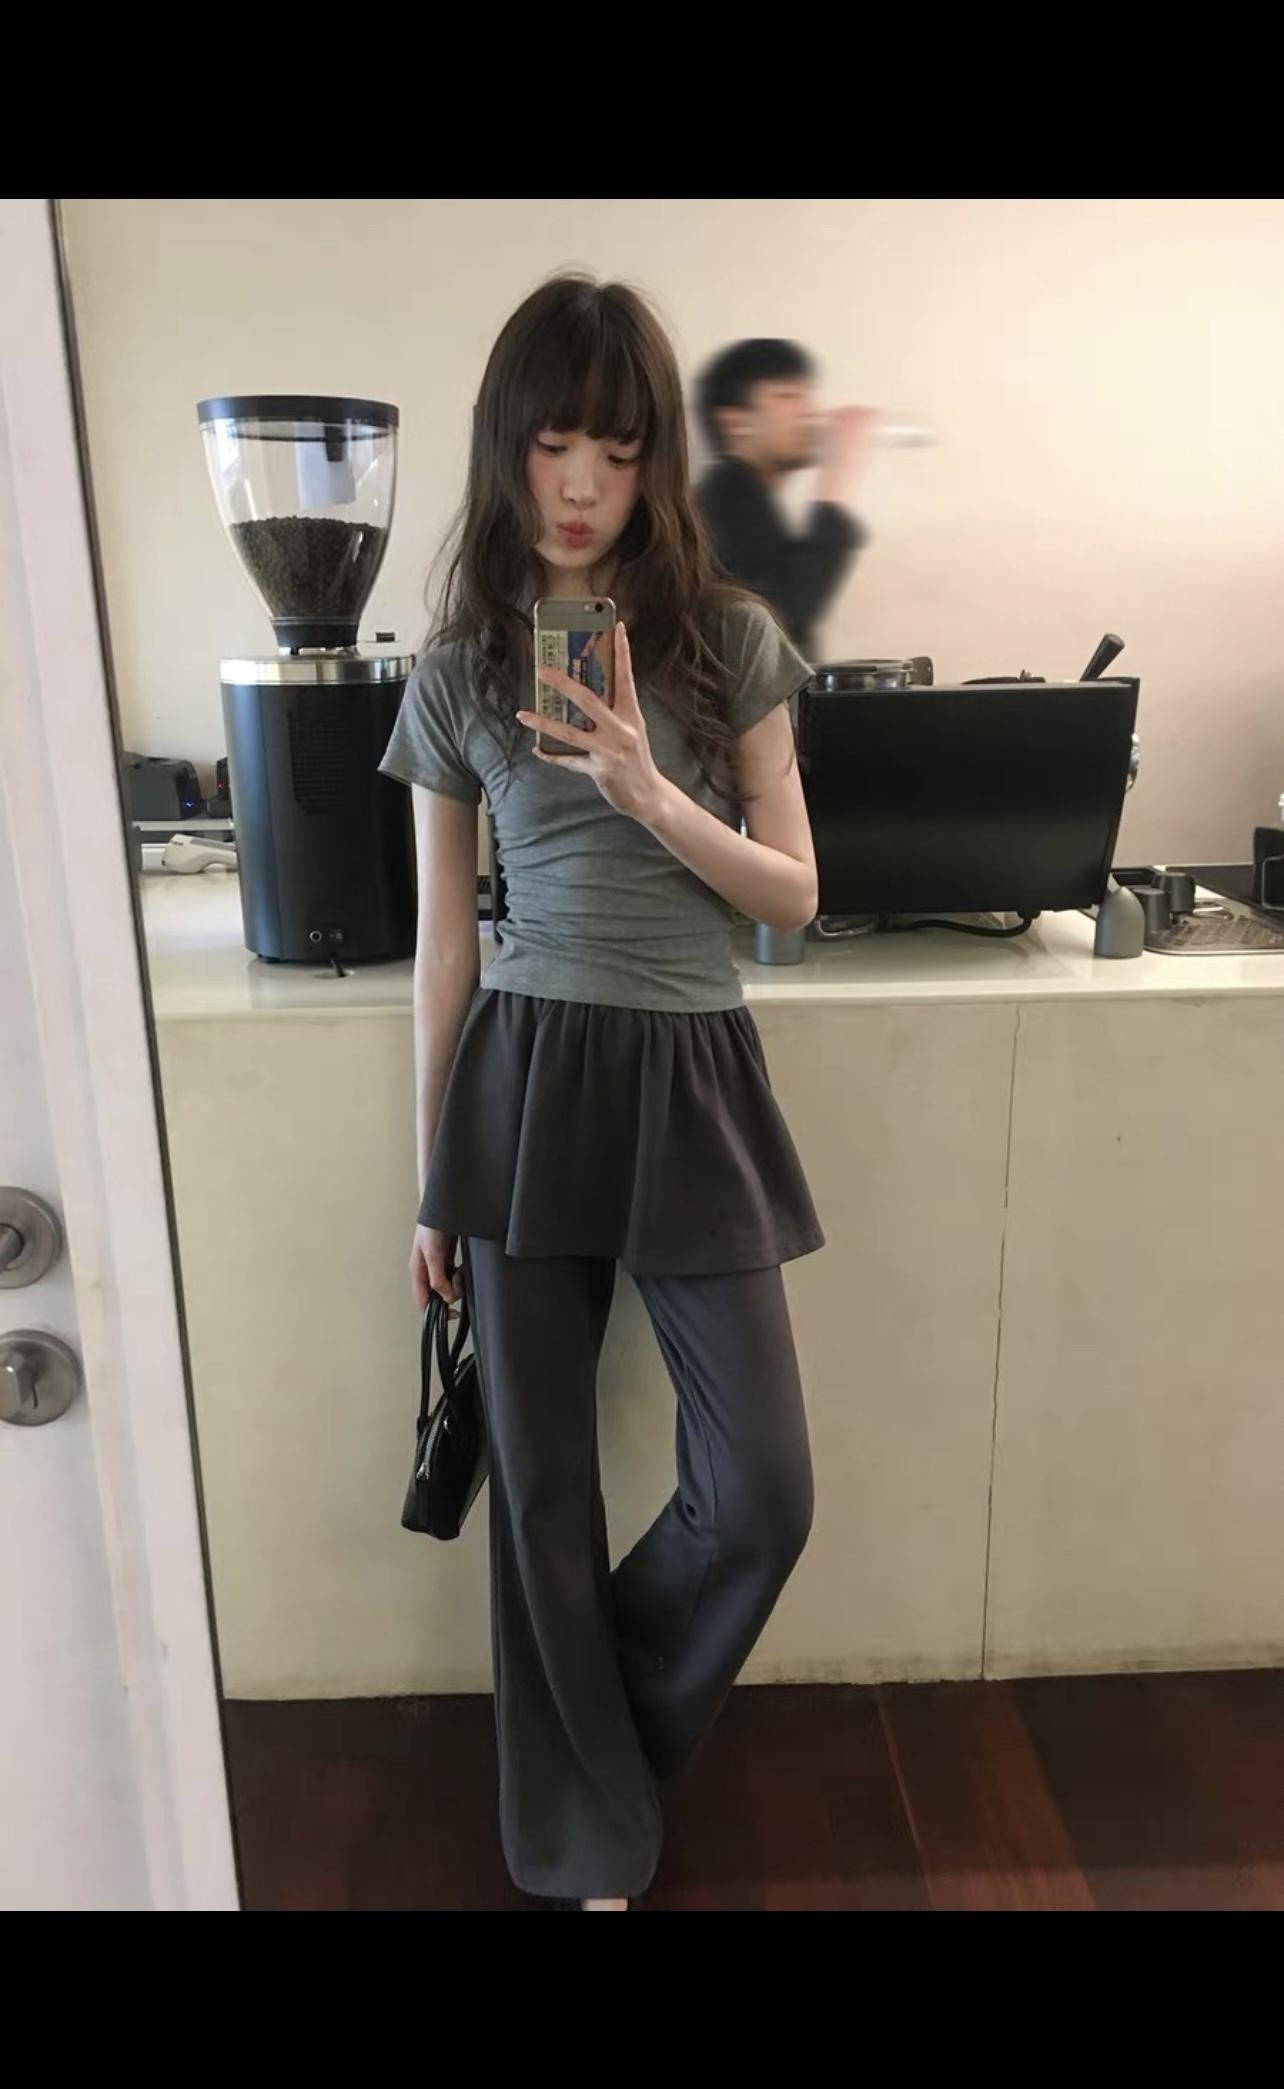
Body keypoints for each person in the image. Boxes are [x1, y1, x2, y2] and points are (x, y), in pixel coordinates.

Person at [379, 276, 824, 1911]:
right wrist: (430, 1178)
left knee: (758, 1491)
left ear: (655, 466)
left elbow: (792, 897)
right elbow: (444, 947)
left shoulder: (727, 643)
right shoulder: (457, 670)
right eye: (551, 443)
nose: (578, 484)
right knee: (543, 1489)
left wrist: (646, 788)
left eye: (617, 452)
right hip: (523, 1083)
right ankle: (577, 1833)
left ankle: (590, 1742)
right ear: (506, 447)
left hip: (691, 1074)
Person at [696, 337, 874, 658]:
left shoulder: (744, 495)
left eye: (808, 396)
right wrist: (841, 470)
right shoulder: (725, 499)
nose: (809, 413)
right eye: (787, 396)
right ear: (735, 423)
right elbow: (784, 616)